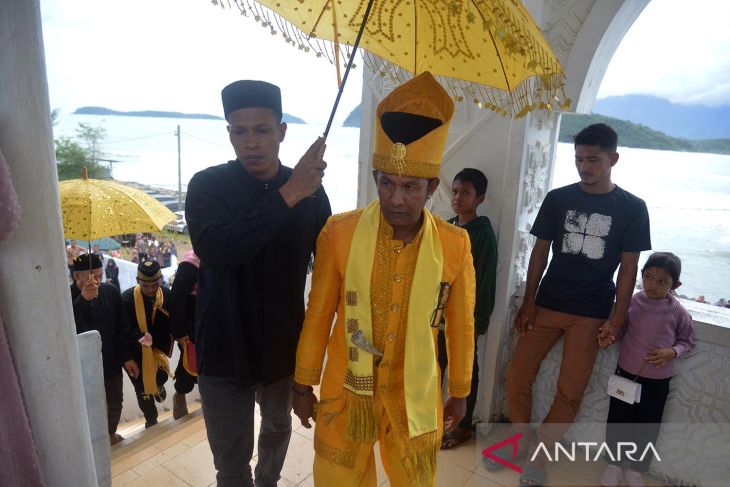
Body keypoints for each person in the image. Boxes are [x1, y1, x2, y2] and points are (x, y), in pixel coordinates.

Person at [292, 72, 476, 487]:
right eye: (388, 183)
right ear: (375, 179)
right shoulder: (339, 233)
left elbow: (462, 327)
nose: (396, 198)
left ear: (432, 187)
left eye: (411, 186)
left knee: (414, 478)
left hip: (415, 392)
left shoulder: (455, 245)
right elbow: (318, 314)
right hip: (345, 388)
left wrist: (460, 391)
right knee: (339, 476)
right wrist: (303, 382)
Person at [185, 79, 331, 487]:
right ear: (229, 133)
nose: (251, 142)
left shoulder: (313, 195)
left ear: (281, 131)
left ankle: (268, 481)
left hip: (283, 345)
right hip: (224, 344)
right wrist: (287, 195)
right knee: (230, 463)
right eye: (239, 131)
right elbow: (220, 250)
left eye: (261, 130)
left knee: (278, 429)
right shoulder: (207, 186)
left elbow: (332, 267)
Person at [505, 123, 652, 486]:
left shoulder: (633, 207)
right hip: (547, 305)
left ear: (613, 159)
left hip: (591, 313)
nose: (584, 167)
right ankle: (524, 438)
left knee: (570, 392)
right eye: (578, 159)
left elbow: (629, 268)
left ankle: (539, 455)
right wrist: (528, 302)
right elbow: (539, 253)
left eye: (593, 160)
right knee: (517, 376)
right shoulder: (558, 198)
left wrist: (618, 319)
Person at [599, 252, 694, 487]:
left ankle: (636, 470)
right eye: (648, 277)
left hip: (656, 382)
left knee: (647, 426)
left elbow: (687, 342)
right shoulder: (632, 302)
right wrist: (610, 335)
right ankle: (614, 465)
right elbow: (621, 330)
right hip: (626, 375)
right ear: (641, 275)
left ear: (675, 285)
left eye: (662, 281)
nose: (652, 285)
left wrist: (672, 352)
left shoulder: (678, 312)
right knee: (618, 421)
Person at [437, 168, 497, 449]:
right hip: (438, 317)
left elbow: (485, 282)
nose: (458, 198)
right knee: (434, 368)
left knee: (465, 373)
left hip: (464, 320)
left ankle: (462, 427)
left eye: (466, 193)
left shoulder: (483, 234)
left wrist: (477, 323)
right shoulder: (448, 226)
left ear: (480, 198)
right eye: (456, 191)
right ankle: (433, 420)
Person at [70, 253, 134, 445]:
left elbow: (122, 328)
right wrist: (83, 300)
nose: (97, 281)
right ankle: (93, 443)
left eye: (99, 276)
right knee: (88, 406)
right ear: (76, 276)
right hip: (82, 367)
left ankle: (110, 434)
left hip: (111, 360)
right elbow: (65, 328)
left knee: (115, 401)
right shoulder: (65, 296)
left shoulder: (111, 292)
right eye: (91, 277)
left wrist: (127, 358)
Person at [120, 260, 172, 429]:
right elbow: (123, 331)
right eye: (145, 286)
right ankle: (151, 421)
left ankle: (159, 386)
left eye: (155, 285)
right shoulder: (126, 299)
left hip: (157, 350)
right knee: (142, 390)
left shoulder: (166, 295)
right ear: (137, 281)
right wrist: (141, 339)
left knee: (161, 376)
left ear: (161, 280)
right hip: (135, 353)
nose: (151, 290)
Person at [168, 249, 200, 419]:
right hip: (192, 328)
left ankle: (210, 399)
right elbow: (176, 299)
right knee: (189, 366)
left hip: (214, 324)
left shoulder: (219, 255)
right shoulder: (189, 265)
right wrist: (180, 332)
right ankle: (180, 395)